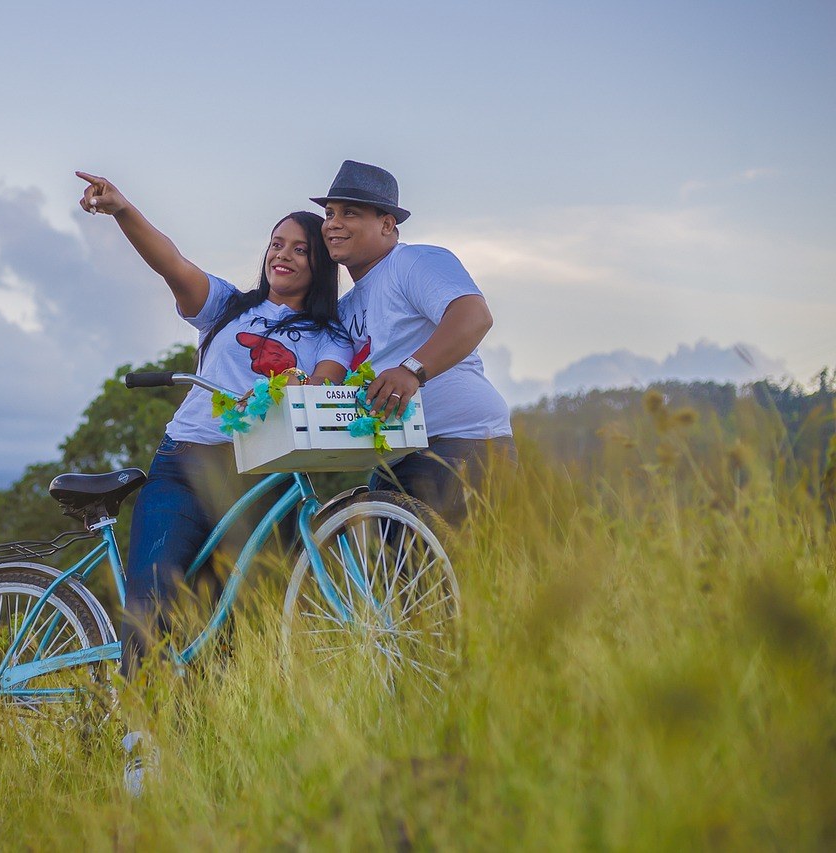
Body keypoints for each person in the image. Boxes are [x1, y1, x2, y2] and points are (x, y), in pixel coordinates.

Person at [77, 171, 353, 793]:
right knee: (155, 596)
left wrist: (307, 391)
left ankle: (204, 754)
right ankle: (136, 744)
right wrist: (123, 210)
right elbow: (170, 261)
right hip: (187, 462)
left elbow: (324, 389)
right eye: (276, 243)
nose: (282, 254)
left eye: (299, 248)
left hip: (259, 476)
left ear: (319, 266)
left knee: (230, 623)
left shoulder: (331, 336)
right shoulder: (229, 306)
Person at [311, 160, 514, 527]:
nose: (333, 223)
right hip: (399, 454)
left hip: (458, 445)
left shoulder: (412, 261)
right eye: (329, 213)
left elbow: (473, 315)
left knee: (445, 579)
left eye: (350, 213)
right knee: (393, 580)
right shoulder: (345, 307)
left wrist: (412, 370)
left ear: (388, 224)